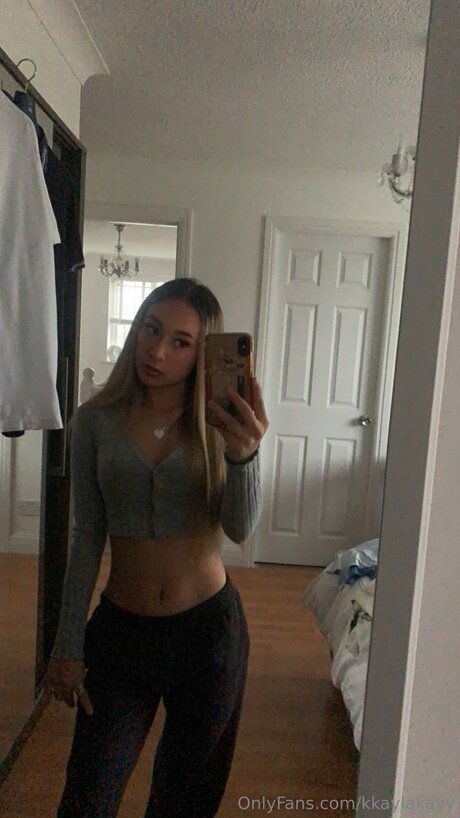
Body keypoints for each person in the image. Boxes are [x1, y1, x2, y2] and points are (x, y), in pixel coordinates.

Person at [44, 277, 269, 818]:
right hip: (121, 636)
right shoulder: (94, 421)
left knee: (185, 801)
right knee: (88, 796)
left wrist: (244, 456)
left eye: (180, 342)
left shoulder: (222, 423)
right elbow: (87, 535)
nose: (157, 350)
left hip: (209, 636)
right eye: (151, 329)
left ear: (201, 354)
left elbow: (240, 530)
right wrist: (67, 644)